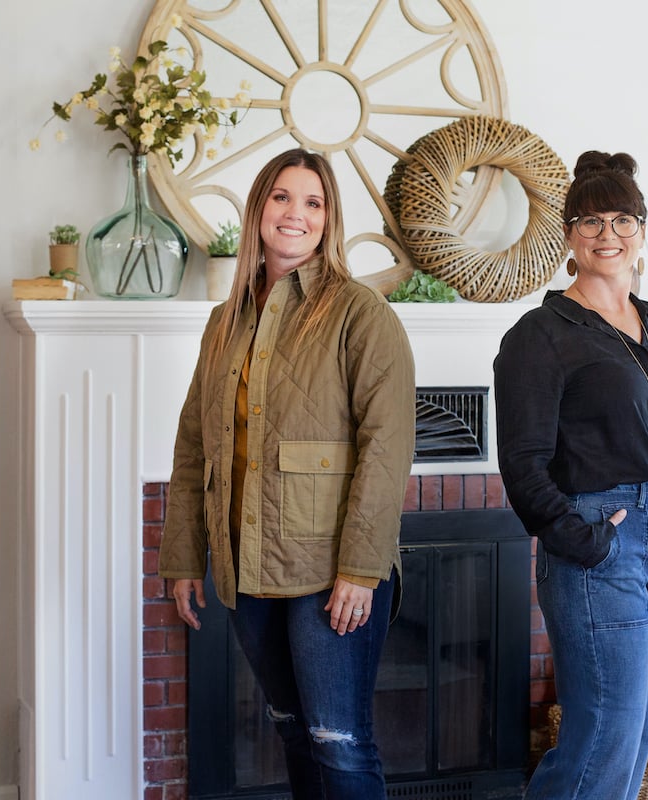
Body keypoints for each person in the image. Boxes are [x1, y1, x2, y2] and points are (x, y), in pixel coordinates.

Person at [159, 148, 416, 799]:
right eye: (281, 197)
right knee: (295, 732)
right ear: (258, 210)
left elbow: (387, 448)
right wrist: (185, 558)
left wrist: (361, 570)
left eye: (313, 202)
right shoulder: (225, 322)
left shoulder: (361, 313)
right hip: (246, 567)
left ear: (329, 220)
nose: (294, 214)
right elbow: (196, 447)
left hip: (330, 571)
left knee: (341, 743)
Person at [493, 151, 648, 800]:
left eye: (623, 220)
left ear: (643, 232)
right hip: (605, 543)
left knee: (636, 735)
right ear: (569, 236)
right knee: (602, 738)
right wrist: (585, 538)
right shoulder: (539, 335)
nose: (608, 235)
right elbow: (521, 461)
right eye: (591, 221)